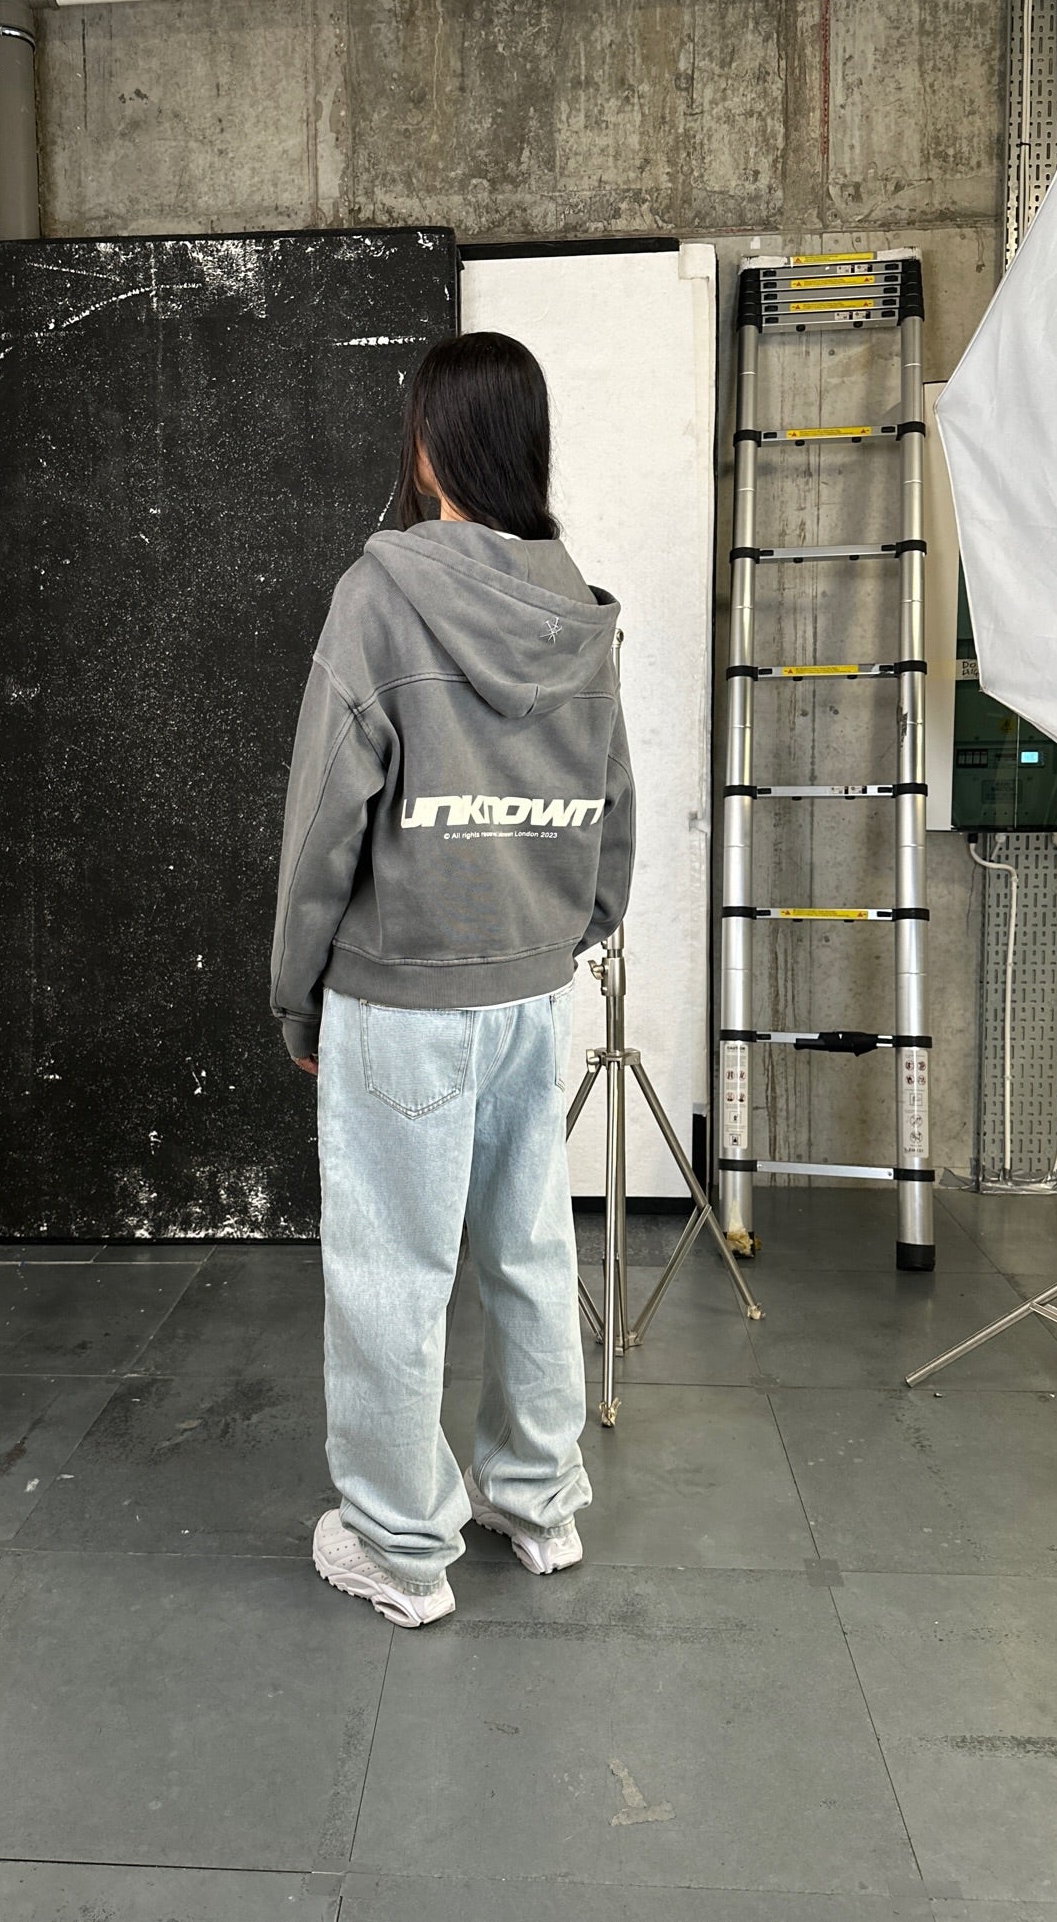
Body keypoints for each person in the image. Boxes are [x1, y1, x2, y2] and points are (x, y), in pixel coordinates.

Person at [269, 330, 635, 1628]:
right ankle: (539, 1503)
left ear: (429, 449)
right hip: (531, 989)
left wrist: (298, 992)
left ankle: (400, 1548)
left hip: (403, 996)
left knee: (393, 1269)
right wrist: (576, 931)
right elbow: (611, 801)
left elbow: (324, 817)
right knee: (529, 1246)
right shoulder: (578, 609)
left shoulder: (382, 596)